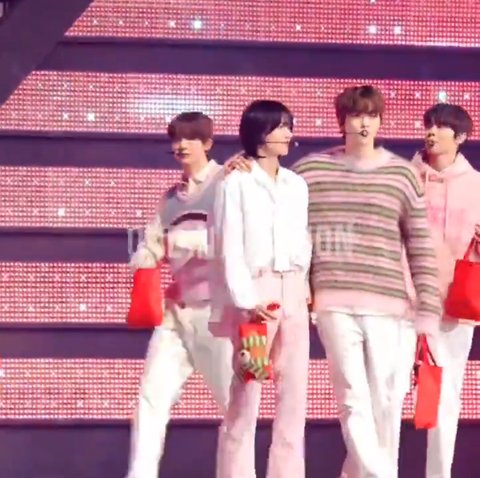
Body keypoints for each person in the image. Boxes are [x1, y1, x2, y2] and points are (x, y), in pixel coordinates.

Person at [291, 85, 442, 478]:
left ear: (380, 120)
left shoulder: (401, 174)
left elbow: (420, 244)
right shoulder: (310, 172)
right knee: (353, 399)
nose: (364, 122)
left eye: (371, 115)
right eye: (356, 114)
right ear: (341, 120)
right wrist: (238, 163)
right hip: (333, 302)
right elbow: (279, 214)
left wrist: (428, 308)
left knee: (387, 402)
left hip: (391, 306)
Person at [126, 111, 234, 478]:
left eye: (190, 138)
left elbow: (237, 242)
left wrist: (181, 242)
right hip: (176, 314)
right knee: (151, 399)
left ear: (208, 143)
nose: (181, 145)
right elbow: (151, 244)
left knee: (234, 406)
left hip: (217, 313)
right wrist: (146, 256)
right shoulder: (171, 198)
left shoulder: (228, 183)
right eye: (176, 139)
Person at [213, 99, 312, 478]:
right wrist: (245, 299)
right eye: (279, 126)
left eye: (289, 125)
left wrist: (304, 287)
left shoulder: (296, 184)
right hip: (256, 292)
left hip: (293, 292)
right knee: (246, 391)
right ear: (259, 133)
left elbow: (303, 238)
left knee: (294, 397)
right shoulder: (235, 182)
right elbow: (228, 244)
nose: (288, 132)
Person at [402, 103, 480, 478]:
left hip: (453, 306)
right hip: (402, 303)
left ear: (460, 137)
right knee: (386, 392)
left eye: (441, 126)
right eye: (428, 125)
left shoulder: (476, 185)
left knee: (445, 396)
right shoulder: (404, 178)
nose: (431, 132)